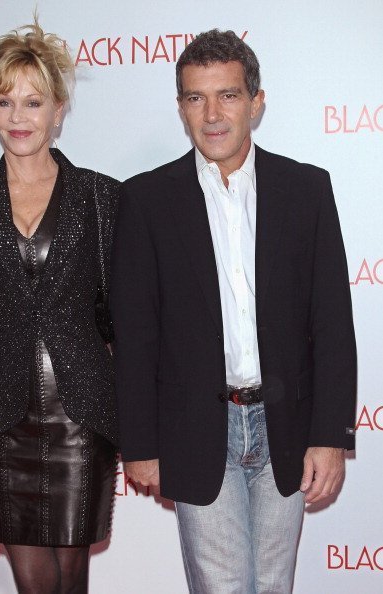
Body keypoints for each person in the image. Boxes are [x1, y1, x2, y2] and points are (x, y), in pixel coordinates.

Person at [111, 29, 356, 594]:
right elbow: (137, 334)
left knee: (273, 586)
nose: (212, 113)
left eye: (227, 95)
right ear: (180, 108)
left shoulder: (306, 189)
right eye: (196, 98)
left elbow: (333, 324)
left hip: (287, 426)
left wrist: (331, 435)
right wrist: (141, 444)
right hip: (198, 429)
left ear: (256, 101)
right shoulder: (147, 200)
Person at [0, 20, 119, 594]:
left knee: (72, 579)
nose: (19, 116)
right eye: (6, 101)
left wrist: (140, 422)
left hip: (82, 418)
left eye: (33, 102)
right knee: (35, 585)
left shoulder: (99, 194)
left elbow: (121, 319)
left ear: (58, 110)